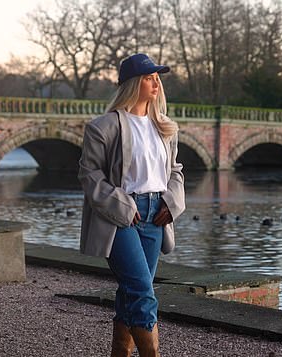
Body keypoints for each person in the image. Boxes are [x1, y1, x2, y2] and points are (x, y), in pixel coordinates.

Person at [78, 53, 186, 357]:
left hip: (157, 214)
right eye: (149, 78)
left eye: (157, 78)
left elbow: (175, 171)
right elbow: (89, 175)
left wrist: (172, 202)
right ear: (132, 84)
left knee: (131, 292)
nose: (156, 83)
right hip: (121, 216)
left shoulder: (165, 128)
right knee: (143, 292)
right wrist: (122, 205)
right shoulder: (104, 127)